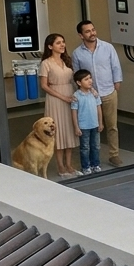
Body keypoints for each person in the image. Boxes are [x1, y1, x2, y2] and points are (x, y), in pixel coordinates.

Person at [72, 19, 125, 167]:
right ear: (81, 35)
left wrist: (117, 84)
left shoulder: (107, 47)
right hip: (89, 97)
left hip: (108, 92)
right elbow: (76, 75)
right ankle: (92, 159)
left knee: (111, 126)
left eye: (93, 30)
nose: (92, 33)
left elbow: (115, 66)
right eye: (87, 31)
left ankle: (114, 155)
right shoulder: (77, 53)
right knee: (91, 127)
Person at [38, 33, 80, 178]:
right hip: (55, 98)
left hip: (70, 94)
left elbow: (75, 80)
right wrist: (63, 97)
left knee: (69, 130)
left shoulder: (67, 61)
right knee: (57, 131)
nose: (62, 45)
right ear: (50, 46)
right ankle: (60, 166)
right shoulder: (46, 63)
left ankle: (69, 164)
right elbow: (44, 85)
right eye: (58, 43)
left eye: (63, 42)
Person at [71, 68, 104, 174]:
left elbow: (99, 108)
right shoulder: (76, 96)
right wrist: (76, 126)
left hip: (95, 124)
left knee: (96, 146)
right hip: (83, 126)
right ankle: (86, 166)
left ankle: (96, 164)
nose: (90, 81)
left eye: (90, 78)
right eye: (86, 79)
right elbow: (74, 112)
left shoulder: (94, 94)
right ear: (79, 82)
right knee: (85, 147)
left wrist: (100, 122)